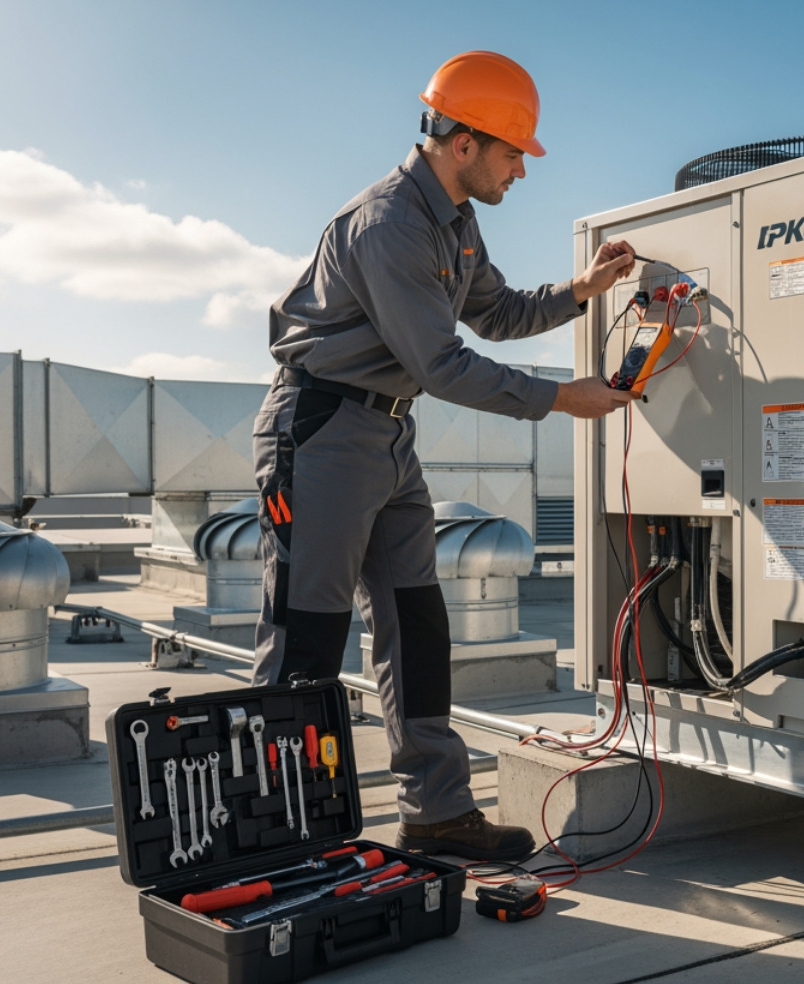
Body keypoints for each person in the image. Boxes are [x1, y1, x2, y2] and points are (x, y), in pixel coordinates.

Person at [252, 50, 636, 861]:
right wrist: (565, 399)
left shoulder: (455, 223)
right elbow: (442, 363)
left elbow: (492, 314)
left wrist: (581, 293)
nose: (520, 174)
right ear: (463, 142)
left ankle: (435, 811)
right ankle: (276, 828)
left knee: (416, 626)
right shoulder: (390, 222)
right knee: (305, 636)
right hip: (321, 431)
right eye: (512, 155)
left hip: (388, 434)